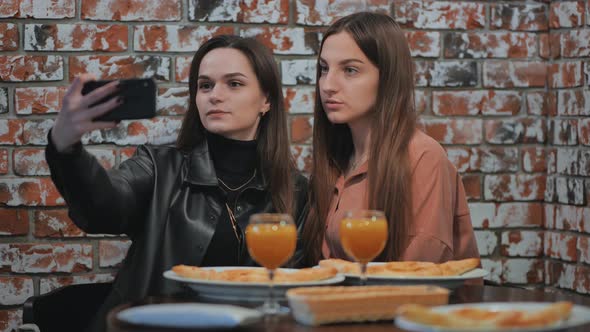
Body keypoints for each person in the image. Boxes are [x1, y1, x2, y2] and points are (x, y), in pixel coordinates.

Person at [45, 35, 307, 332]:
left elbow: (291, 292)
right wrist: (66, 146)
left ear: (266, 100)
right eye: (205, 85)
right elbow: (102, 208)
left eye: (234, 84)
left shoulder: (295, 190)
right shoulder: (159, 166)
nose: (215, 95)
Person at [300, 12, 479, 266]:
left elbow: (417, 275)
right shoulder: (337, 160)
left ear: (388, 78)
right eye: (324, 69)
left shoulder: (422, 157)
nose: (328, 85)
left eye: (350, 70)